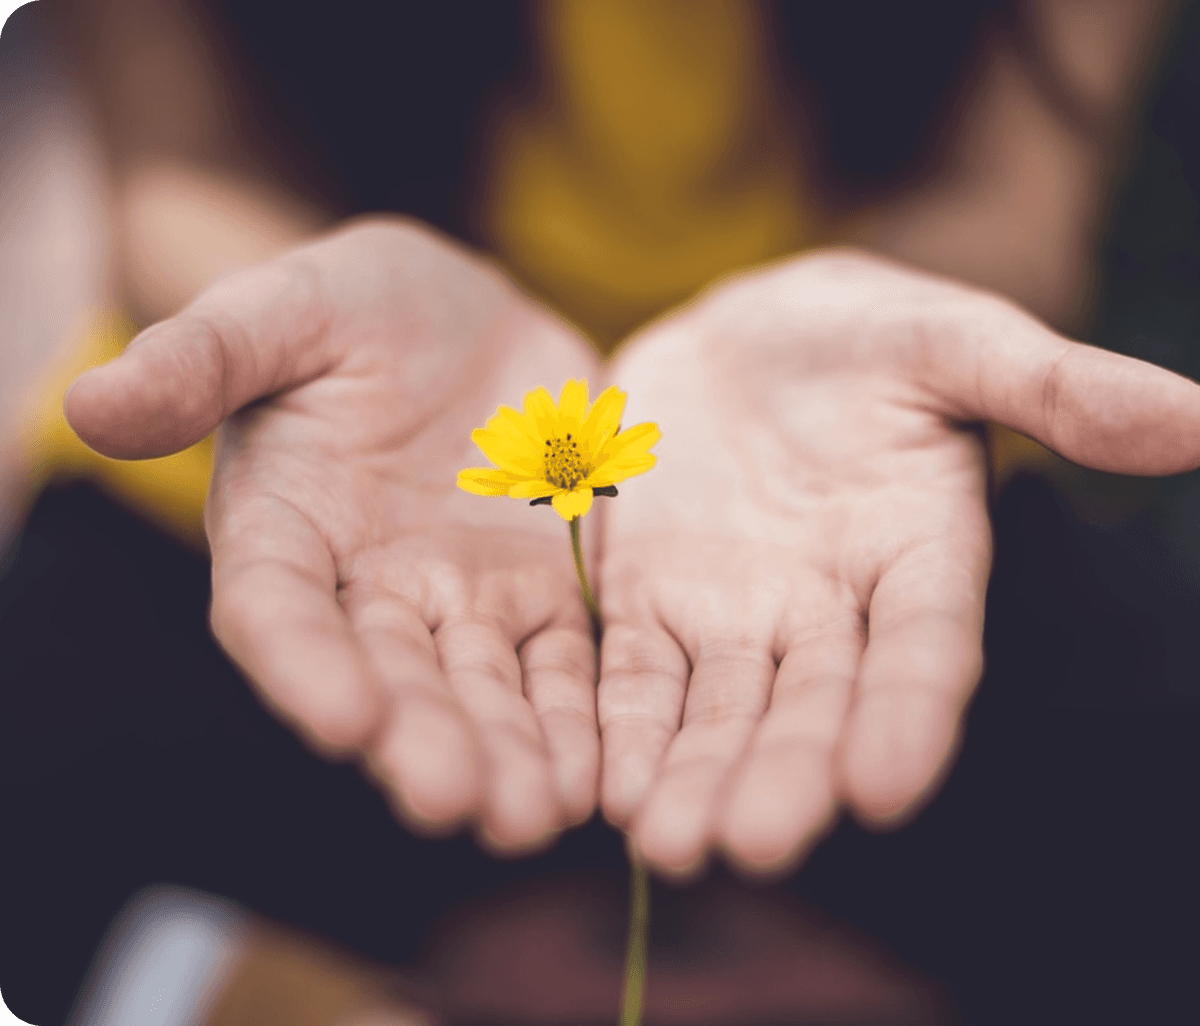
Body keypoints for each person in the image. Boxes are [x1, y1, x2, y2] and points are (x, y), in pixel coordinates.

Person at [4, 1, 1200, 1021]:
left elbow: (1013, 191)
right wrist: (279, 314)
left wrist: (902, 308)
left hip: (837, 483)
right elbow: (180, 170)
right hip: (336, 466)